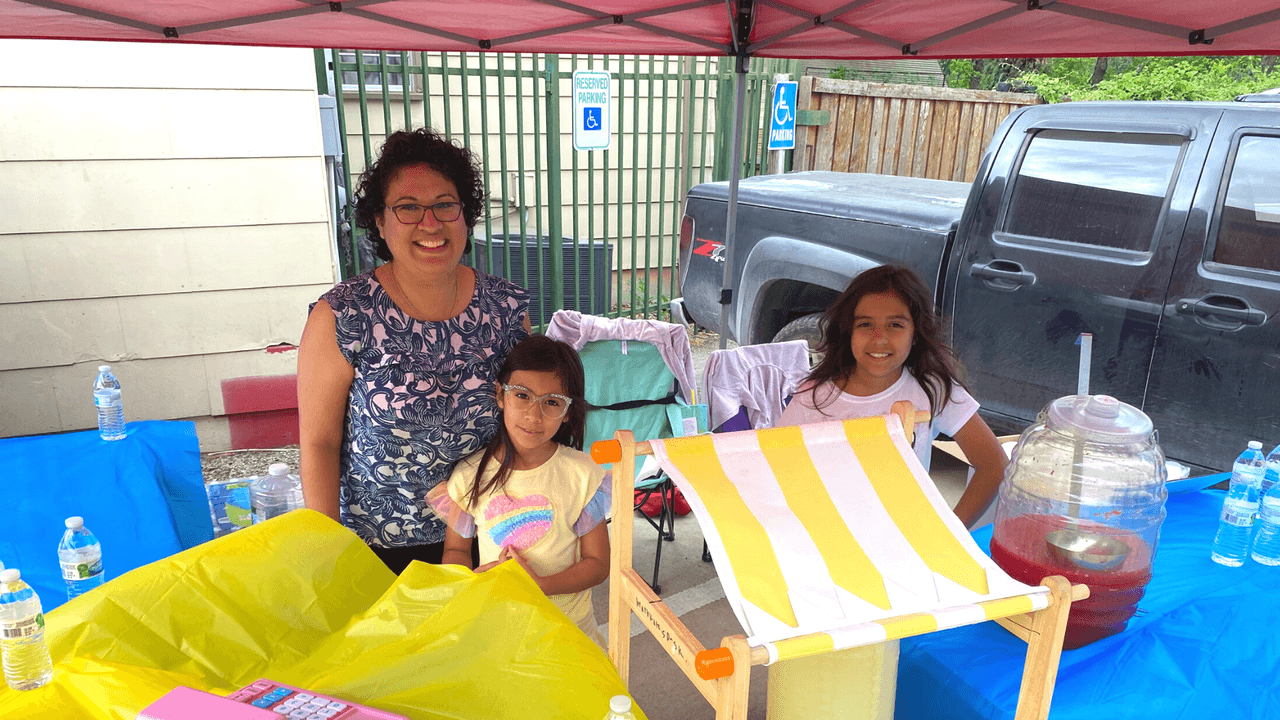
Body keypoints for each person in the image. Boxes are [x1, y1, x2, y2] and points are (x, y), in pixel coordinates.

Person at [298, 127, 531, 573]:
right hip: (379, 550)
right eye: (408, 207)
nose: (430, 223)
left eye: (445, 204)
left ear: (466, 216)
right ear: (379, 222)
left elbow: (526, 423)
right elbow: (319, 443)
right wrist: (327, 554)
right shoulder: (342, 316)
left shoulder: (505, 309)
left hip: (491, 539)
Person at [778, 264, 1006, 528]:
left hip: (904, 539)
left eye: (895, 325)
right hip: (829, 534)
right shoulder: (814, 397)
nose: (880, 339)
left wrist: (952, 530)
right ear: (848, 330)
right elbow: (774, 468)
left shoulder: (932, 389)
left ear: (916, 334)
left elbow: (994, 465)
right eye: (865, 324)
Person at [427, 335, 610, 647]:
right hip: (498, 630)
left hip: (568, 632)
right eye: (522, 395)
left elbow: (597, 564)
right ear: (500, 395)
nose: (533, 415)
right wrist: (470, 582)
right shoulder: (469, 477)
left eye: (552, 402)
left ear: (568, 411)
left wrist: (540, 585)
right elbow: (456, 551)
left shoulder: (583, 475)